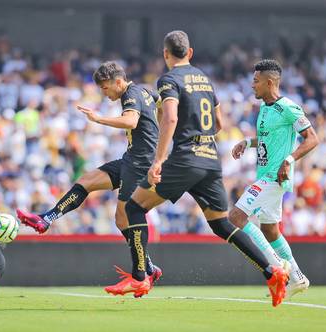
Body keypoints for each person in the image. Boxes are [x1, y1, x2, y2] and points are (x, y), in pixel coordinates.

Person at [104, 30, 289, 306]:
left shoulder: (168, 80)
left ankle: (140, 275)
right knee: (220, 224)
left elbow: (170, 118)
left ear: (166, 54)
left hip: (186, 158)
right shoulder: (204, 79)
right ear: (189, 53)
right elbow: (219, 124)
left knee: (134, 206)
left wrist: (158, 160)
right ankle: (271, 270)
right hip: (210, 160)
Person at [16, 61, 163, 290]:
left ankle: (142, 273)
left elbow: (131, 121)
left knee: (124, 218)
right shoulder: (145, 90)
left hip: (139, 165)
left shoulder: (131, 94)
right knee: (86, 181)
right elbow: (162, 106)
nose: (104, 94)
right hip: (130, 159)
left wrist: (98, 119)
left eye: (105, 88)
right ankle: (47, 219)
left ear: (118, 82)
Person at [230, 59, 319, 299]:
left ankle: (278, 266)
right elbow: (267, 140)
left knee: (236, 216)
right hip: (265, 175)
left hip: (274, 177)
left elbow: (312, 138)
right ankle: (298, 278)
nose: (252, 85)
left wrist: (289, 160)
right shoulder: (265, 109)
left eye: (256, 81)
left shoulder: (288, 107)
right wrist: (247, 142)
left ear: (270, 82)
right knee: (270, 230)